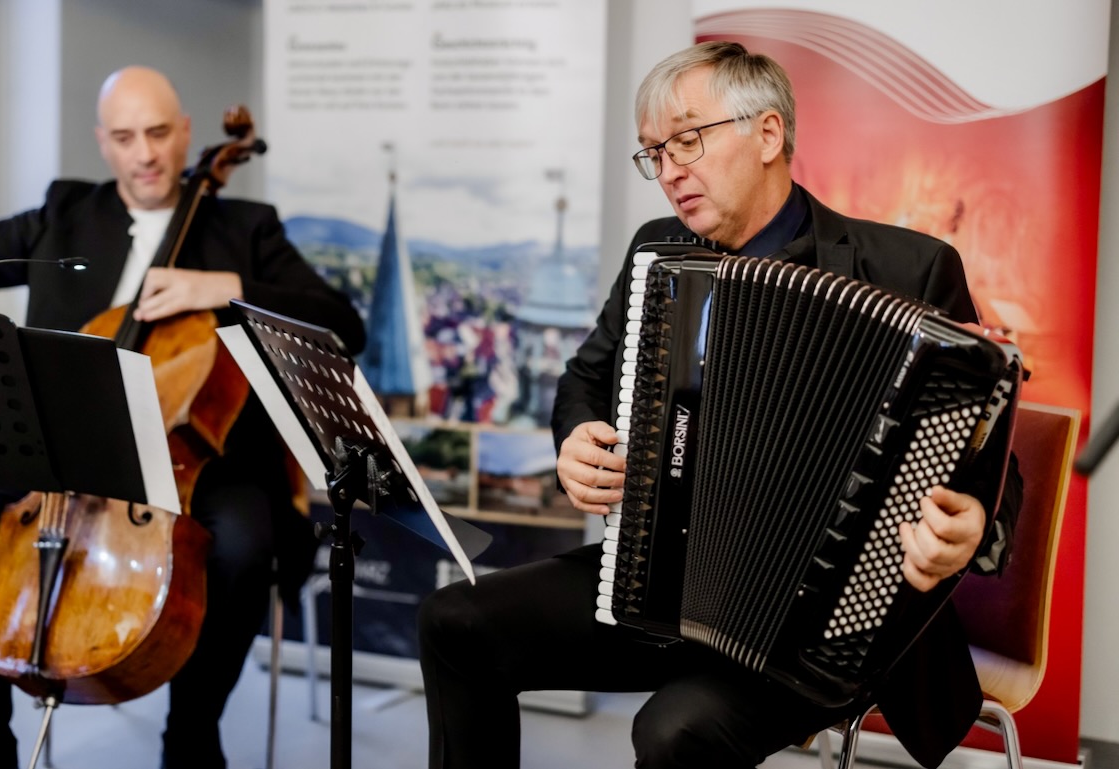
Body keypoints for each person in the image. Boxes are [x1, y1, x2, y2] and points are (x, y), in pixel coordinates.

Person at [417, 41, 1022, 769]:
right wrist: (577, 436)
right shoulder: (657, 252)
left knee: (676, 731)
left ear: (767, 134)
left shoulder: (910, 269)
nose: (669, 169)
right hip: (662, 584)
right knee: (456, 620)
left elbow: (989, 464)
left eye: (687, 140)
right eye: (654, 152)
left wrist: (971, 522)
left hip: (825, 626)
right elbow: (584, 377)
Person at [0, 66, 365, 769]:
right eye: (124, 137)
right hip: (62, 455)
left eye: (158, 133)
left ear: (185, 133)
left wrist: (225, 286)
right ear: (103, 142)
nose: (144, 154)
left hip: (195, 460)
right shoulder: (65, 213)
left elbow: (343, 322)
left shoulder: (246, 228)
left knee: (244, 544)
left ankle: (191, 736)